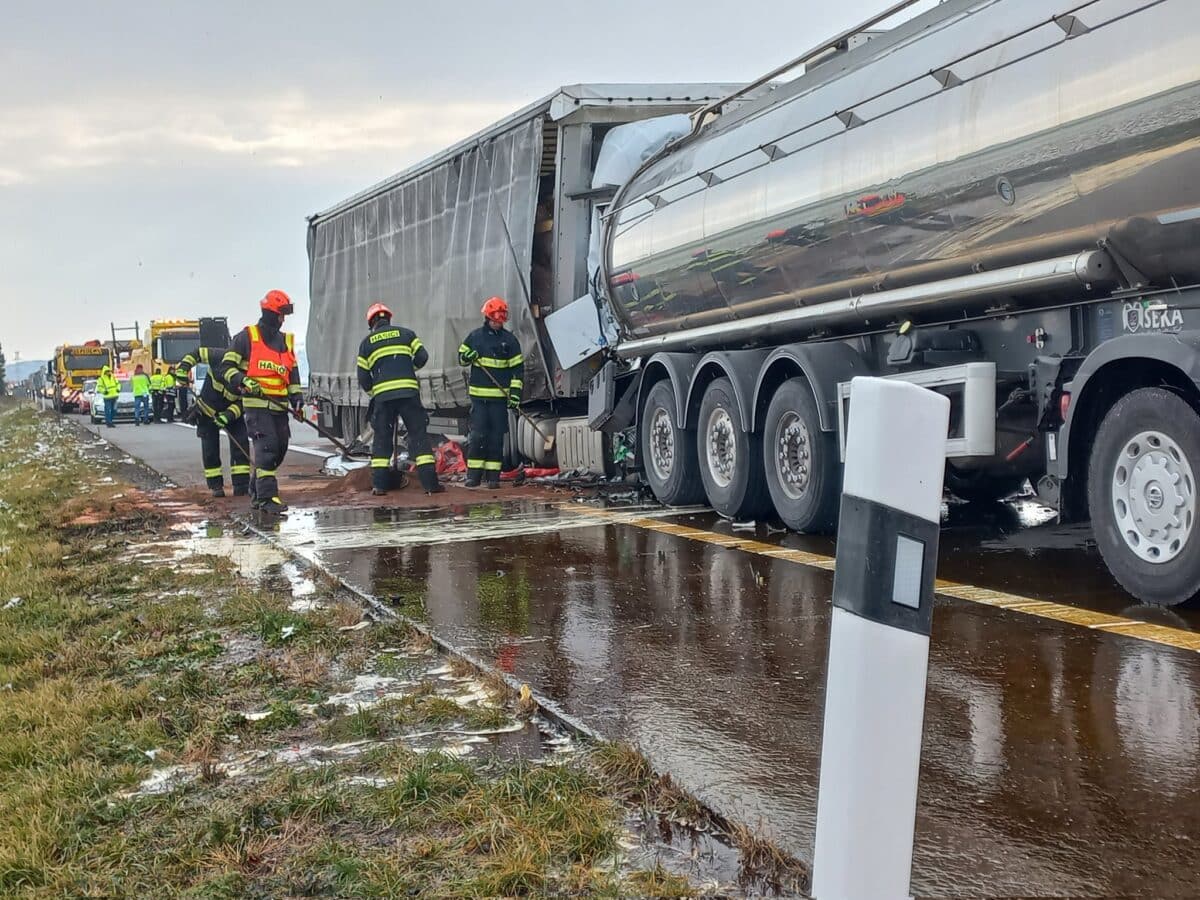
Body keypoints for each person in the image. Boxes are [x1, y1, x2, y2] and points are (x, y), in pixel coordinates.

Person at [220, 290, 302, 514]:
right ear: (271, 313)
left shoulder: (286, 341)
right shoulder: (247, 337)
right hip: (257, 407)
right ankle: (267, 498)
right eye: (281, 314)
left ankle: (256, 491)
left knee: (279, 449)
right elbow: (226, 368)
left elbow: (292, 374)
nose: (283, 319)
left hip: (279, 407)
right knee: (267, 448)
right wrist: (243, 380)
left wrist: (297, 400)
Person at [356, 302, 443, 496]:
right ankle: (431, 485)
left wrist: (375, 391)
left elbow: (363, 377)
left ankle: (380, 486)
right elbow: (422, 356)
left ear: (371, 322)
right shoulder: (407, 334)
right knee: (418, 436)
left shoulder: (367, 343)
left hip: (383, 398)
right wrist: (409, 369)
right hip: (408, 394)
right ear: (389, 318)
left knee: (382, 439)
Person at [457, 296, 523, 488]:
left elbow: (517, 371)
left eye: (501, 319)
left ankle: (493, 477)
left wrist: (516, 394)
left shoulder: (510, 341)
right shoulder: (475, 337)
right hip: (479, 400)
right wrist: (468, 356)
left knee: (496, 439)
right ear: (488, 317)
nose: (498, 323)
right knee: (478, 436)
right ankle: (474, 476)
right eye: (495, 319)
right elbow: (461, 358)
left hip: (499, 401)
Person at [177, 347, 251, 498]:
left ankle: (241, 486)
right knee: (210, 448)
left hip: (232, 412)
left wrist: (228, 415)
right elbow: (195, 353)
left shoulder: (252, 375)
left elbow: (246, 402)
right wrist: (183, 369)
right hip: (207, 410)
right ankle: (215, 486)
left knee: (241, 444)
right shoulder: (218, 356)